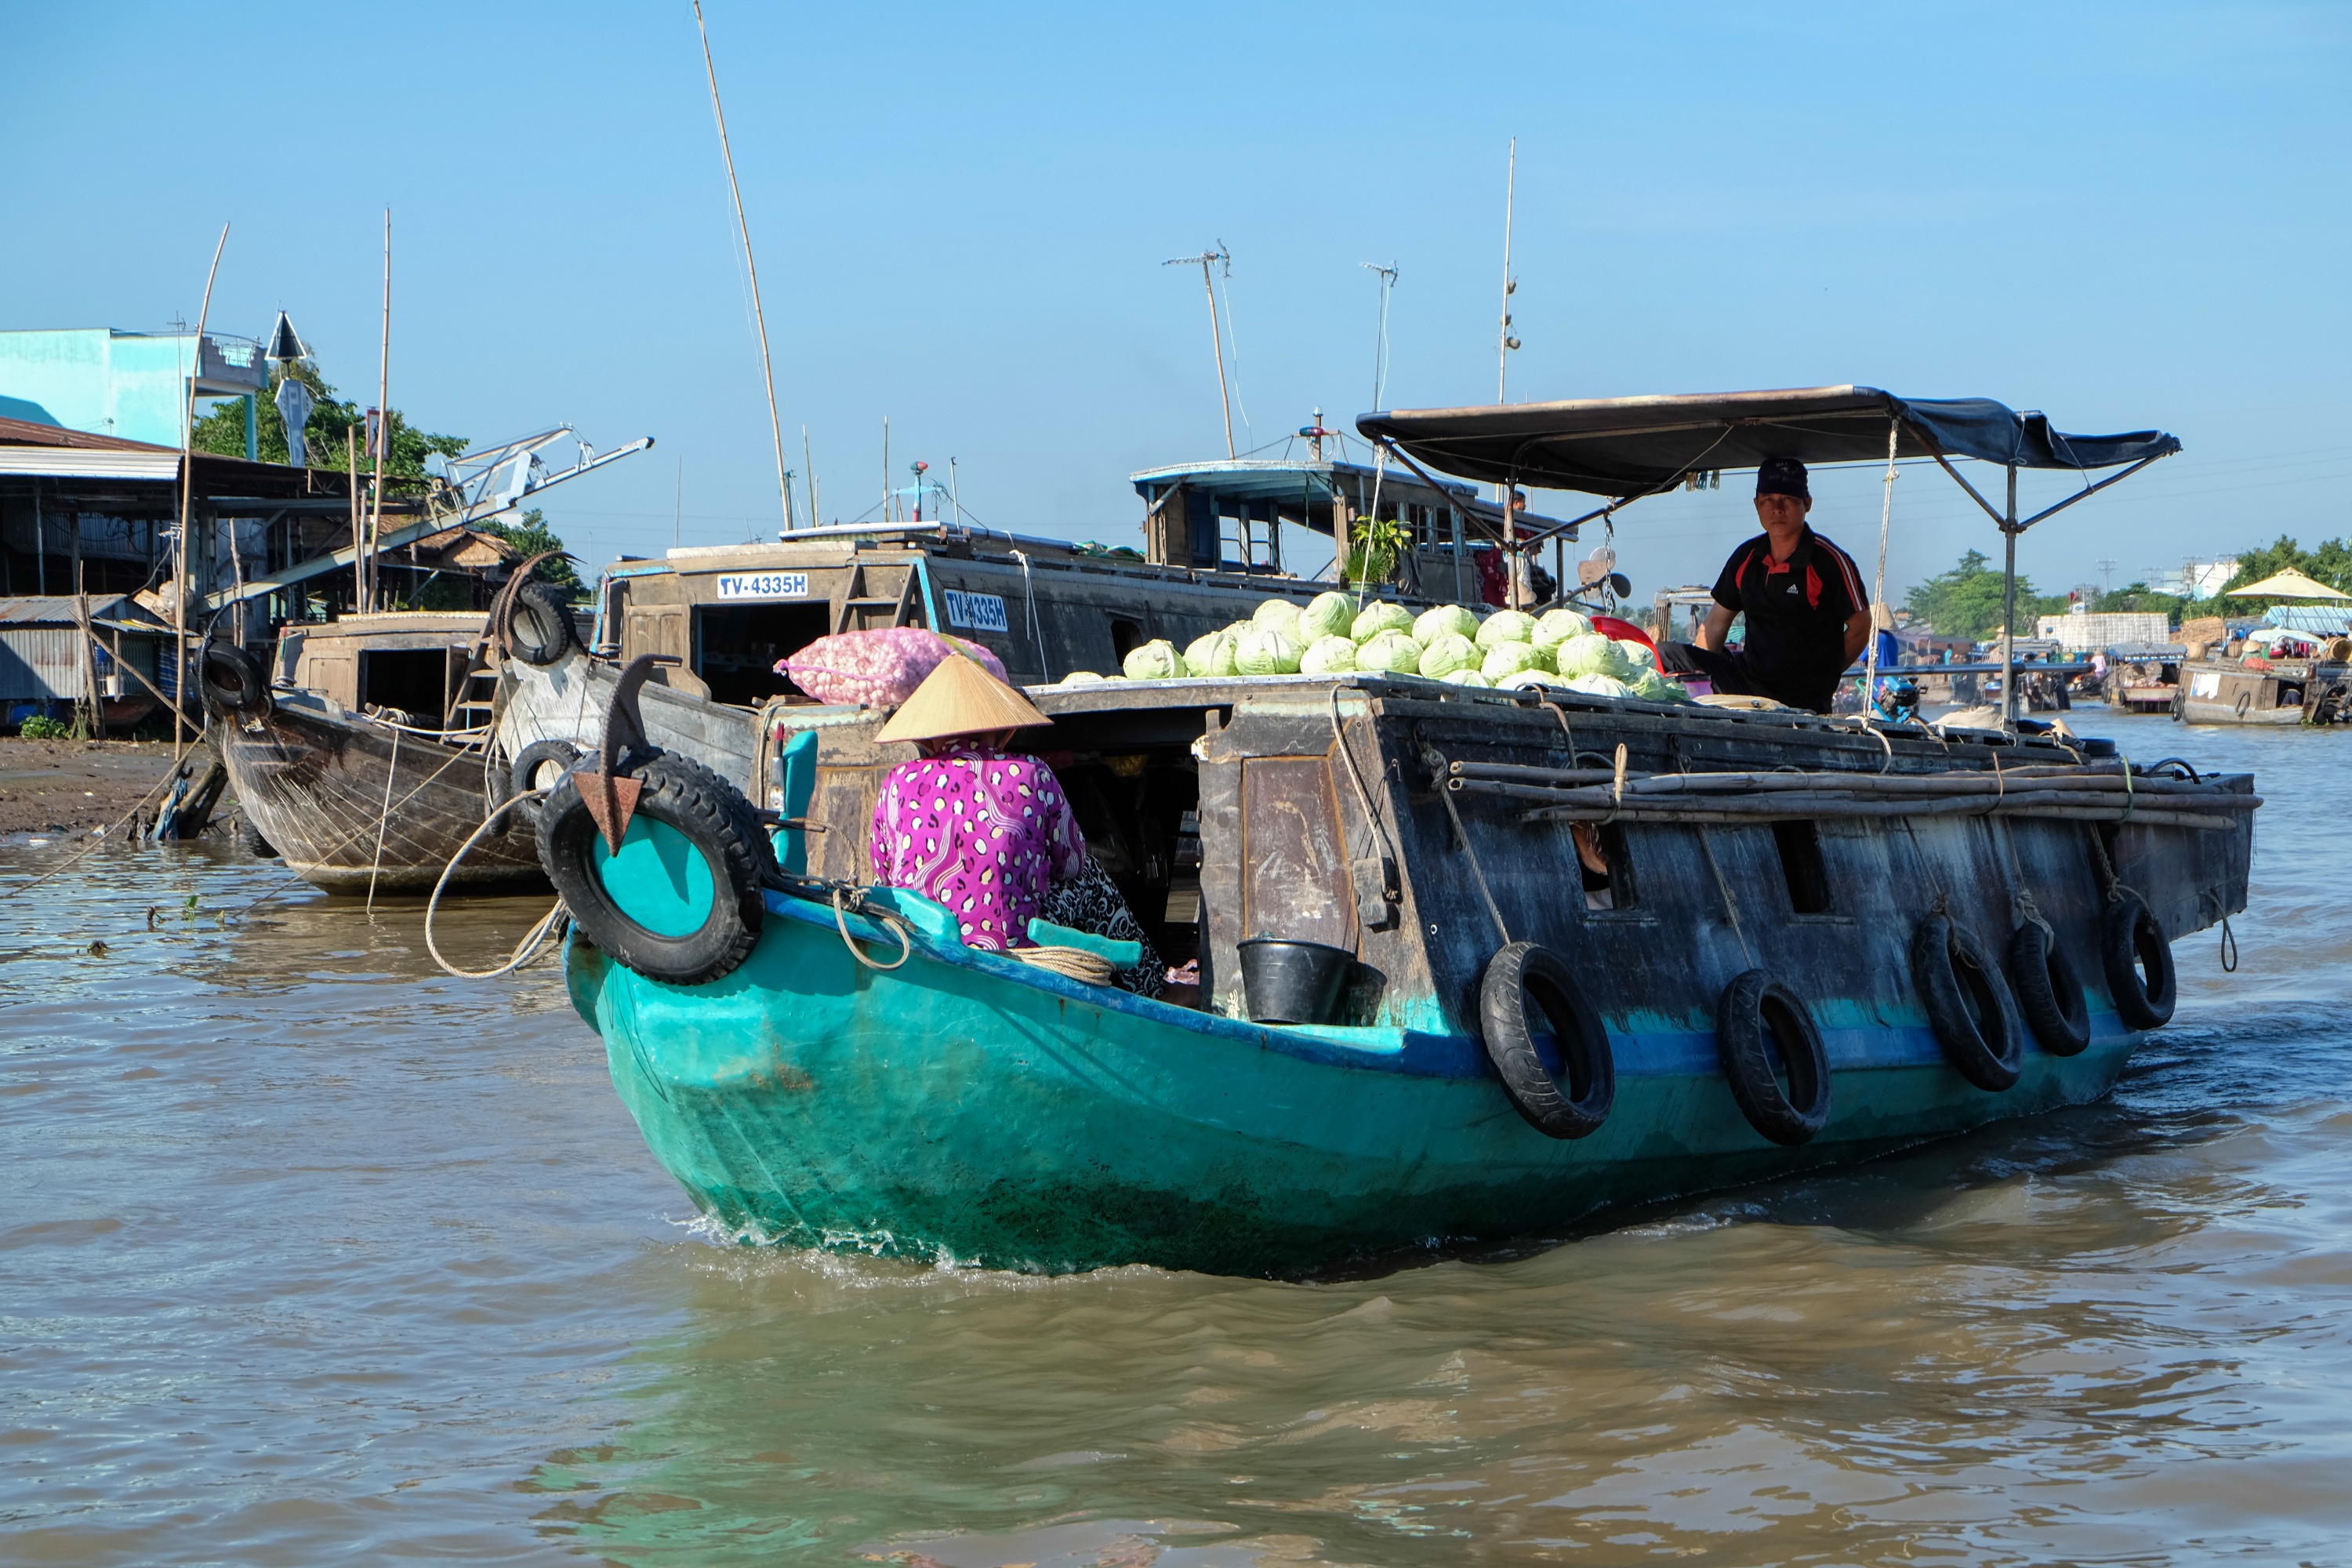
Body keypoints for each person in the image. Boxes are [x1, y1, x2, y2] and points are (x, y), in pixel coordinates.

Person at [869, 653, 1163, 993]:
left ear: (926, 736)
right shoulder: (1029, 772)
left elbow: (883, 876)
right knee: (1091, 875)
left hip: (922, 941)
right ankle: (1155, 986)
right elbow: (1071, 864)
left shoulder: (897, 781)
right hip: (1013, 945)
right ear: (999, 730)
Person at [1658, 456, 1871, 713]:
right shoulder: (1746, 557)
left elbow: (1861, 626)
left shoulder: (1829, 561)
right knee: (1665, 653)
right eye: (1768, 500)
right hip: (1747, 685)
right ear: (1757, 505)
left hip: (1801, 699)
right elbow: (1715, 624)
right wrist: (1700, 676)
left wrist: (1823, 678)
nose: (1777, 508)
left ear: (1807, 504)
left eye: (1787, 500)